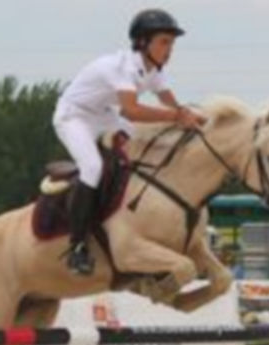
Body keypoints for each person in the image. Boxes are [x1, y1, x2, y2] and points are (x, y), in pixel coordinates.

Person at [53, 8, 207, 275]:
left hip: (102, 115)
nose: (169, 50)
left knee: (146, 146)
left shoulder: (153, 68)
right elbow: (132, 111)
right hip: (73, 116)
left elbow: (166, 98)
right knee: (92, 168)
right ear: (143, 42)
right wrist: (176, 116)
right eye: (164, 42)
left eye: (172, 43)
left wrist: (188, 115)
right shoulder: (122, 67)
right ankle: (77, 246)